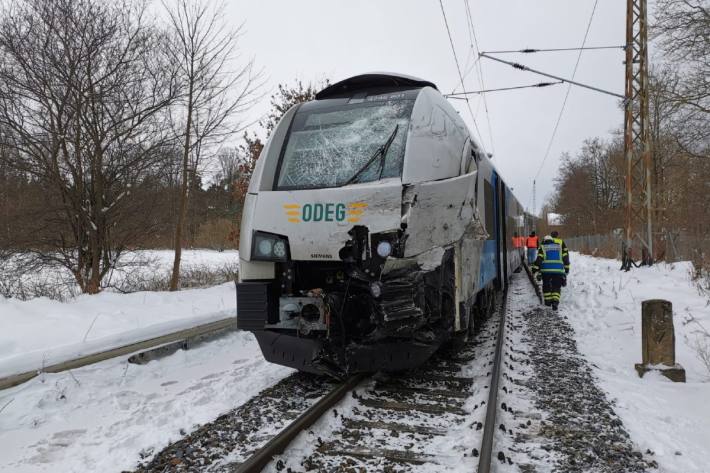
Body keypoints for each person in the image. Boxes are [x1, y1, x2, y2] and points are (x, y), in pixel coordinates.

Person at [531, 234, 570, 310]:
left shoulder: (543, 247)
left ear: (544, 241)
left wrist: (534, 269)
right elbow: (565, 258)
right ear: (552, 240)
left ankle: (548, 302)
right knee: (556, 286)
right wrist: (567, 268)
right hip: (558, 271)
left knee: (546, 286)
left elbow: (539, 259)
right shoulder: (559, 247)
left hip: (546, 271)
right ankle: (555, 301)